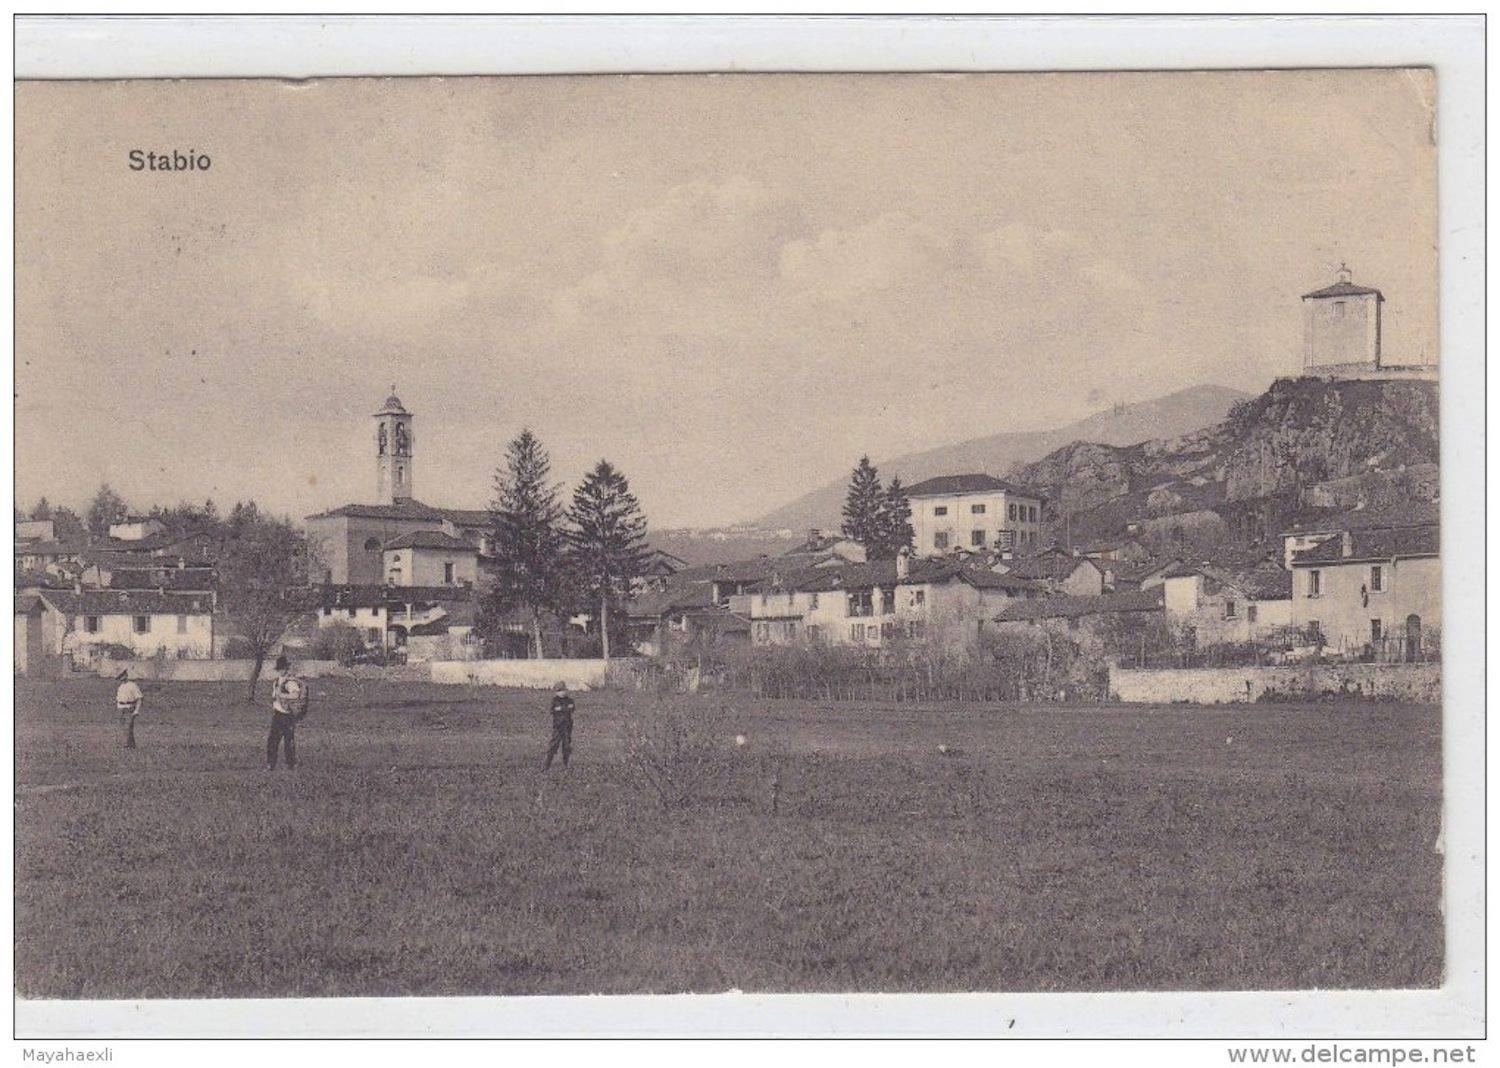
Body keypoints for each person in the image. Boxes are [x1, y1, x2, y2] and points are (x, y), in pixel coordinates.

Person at [266, 654, 306, 771]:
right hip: (277, 713)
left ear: (286, 669)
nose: (281, 671)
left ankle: (291, 764)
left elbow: (295, 695)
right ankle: (270, 764)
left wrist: (281, 695)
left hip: (288, 715)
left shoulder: (290, 682)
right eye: (279, 669)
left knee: (288, 740)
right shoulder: (276, 682)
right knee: (273, 740)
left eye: (283, 668)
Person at [544, 681, 575, 769]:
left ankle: (566, 764)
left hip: (567, 726)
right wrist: (564, 708)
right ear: (556, 692)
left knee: (566, 745)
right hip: (558, 726)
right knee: (553, 745)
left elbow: (572, 708)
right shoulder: (554, 701)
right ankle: (546, 765)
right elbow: (552, 710)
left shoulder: (570, 700)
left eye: (563, 690)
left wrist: (561, 709)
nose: (562, 692)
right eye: (559, 691)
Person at [114, 670, 143, 749]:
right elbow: (119, 699)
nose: (122, 678)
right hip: (121, 708)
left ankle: (127, 745)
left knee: (128, 726)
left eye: (123, 676)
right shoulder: (121, 687)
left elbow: (139, 698)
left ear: (126, 675)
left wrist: (136, 710)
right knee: (122, 727)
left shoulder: (133, 685)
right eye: (120, 677)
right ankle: (131, 744)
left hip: (129, 707)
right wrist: (118, 707)